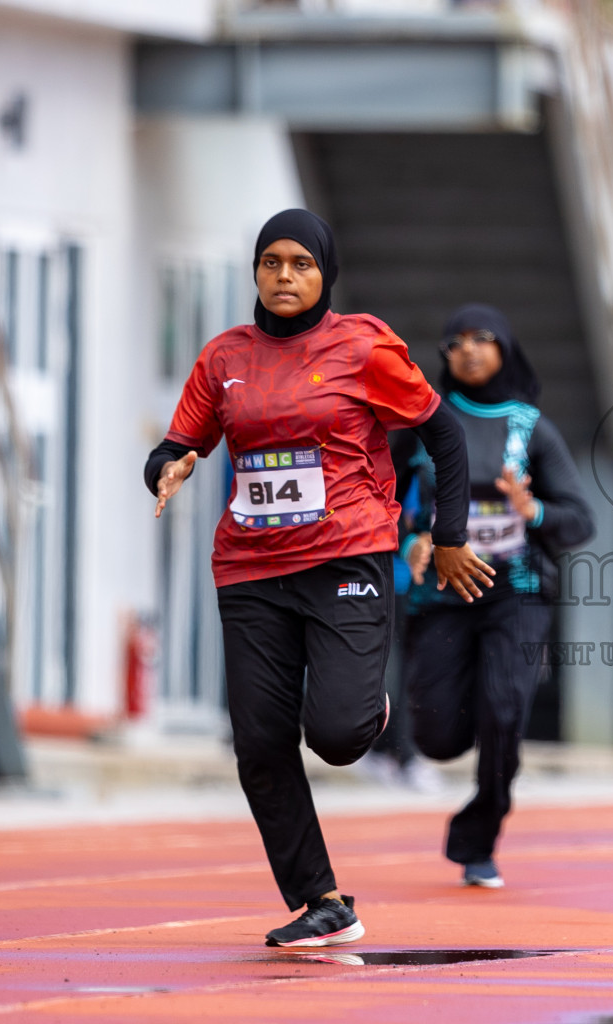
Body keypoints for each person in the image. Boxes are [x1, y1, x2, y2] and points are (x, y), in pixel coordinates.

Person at [146, 210, 492, 947]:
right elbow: (180, 440)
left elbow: (444, 433)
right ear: (255, 273)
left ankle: (368, 702)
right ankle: (321, 901)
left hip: (346, 553)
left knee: (336, 734)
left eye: (301, 263)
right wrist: (169, 465)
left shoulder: (361, 345)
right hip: (249, 566)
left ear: (325, 274)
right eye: (271, 262)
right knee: (262, 745)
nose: (284, 276)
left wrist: (449, 534)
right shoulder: (223, 357)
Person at [393, 303, 594, 888]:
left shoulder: (530, 427)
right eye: (455, 341)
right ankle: (450, 739)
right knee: (435, 734)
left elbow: (581, 521)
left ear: (505, 348)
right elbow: (378, 493)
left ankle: (480, 836)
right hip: (440, 596)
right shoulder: (425, 422)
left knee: (504, 710)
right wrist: (410, 536)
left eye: (483, 338)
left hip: (516, 591)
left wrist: (533, 510)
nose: (469, 349)